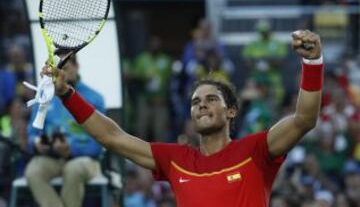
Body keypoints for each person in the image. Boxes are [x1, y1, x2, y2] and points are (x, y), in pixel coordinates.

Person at [43, 30, 323, 207]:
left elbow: (304, 119)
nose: (202, 105)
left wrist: (312, 64)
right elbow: (112, 137)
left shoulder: (256, 149)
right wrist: (67, 93)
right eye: (196, 102)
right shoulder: (175, 159)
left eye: (212, 99)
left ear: (231, 111)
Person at [25, 50, 105, 207]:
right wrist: (36, 143)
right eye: (55, 70)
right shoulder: (44, 95)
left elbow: (100, 142)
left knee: (73, 169)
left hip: (85, 160)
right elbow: (31, 135)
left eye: (65, 68)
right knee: (33, 171)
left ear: (77, 67)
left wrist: (72, 149)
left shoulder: (95, 98)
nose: (59, 74)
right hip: (51, 157)